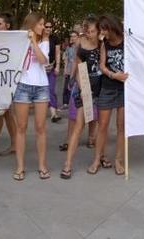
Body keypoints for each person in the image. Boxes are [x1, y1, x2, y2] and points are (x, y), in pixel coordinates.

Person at [60, 17, 101, 178]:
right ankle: (68, 164)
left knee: (100, 124)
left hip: (100, 89)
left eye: (93, 31)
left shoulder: (103, 44)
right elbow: (77, 66)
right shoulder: (81, 43)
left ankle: (101, 156)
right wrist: (81, 87)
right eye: (88, 31)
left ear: (98, 31)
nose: (90, 34)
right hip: (83, 87)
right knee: (79, 125)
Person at [12, 12, 51, 180]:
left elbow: (43, 61)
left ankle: (42, 165)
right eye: (41, 24)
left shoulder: (44, 41)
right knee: (21, 127)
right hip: (22, 86)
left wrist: (34, 41)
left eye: (43, 24)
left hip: (41, 86)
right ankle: (20, 166)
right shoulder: (19, 41)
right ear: (32, 24)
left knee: (40, 128)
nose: (43, 27)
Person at [89, 14, 128, 176]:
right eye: (101, 29)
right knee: (102, 125)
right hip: (108, 86)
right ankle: (97, 159)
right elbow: (102, 66)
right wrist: (113, 75)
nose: (103, 33)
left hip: (126, 89)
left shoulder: (127, 41)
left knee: (121, 126)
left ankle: (119, 160)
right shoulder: (104, 43)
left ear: (112, 27)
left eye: (104, 29)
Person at [0, 11, 17, 156]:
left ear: (7, 26)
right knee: (7, 114)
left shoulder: (13, 41)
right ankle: (14, 144)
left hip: (6, 83)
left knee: (0, 114)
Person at [43, 20, 62, 123]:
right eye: (46, 26)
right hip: (40, 69)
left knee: (51, 90)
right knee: (41, 90)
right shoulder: (39, 38)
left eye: (50, 27)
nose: (48, 28)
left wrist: (57, 66)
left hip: (51, 68)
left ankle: (53, 114)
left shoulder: (55, 38)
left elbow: (58, 53)